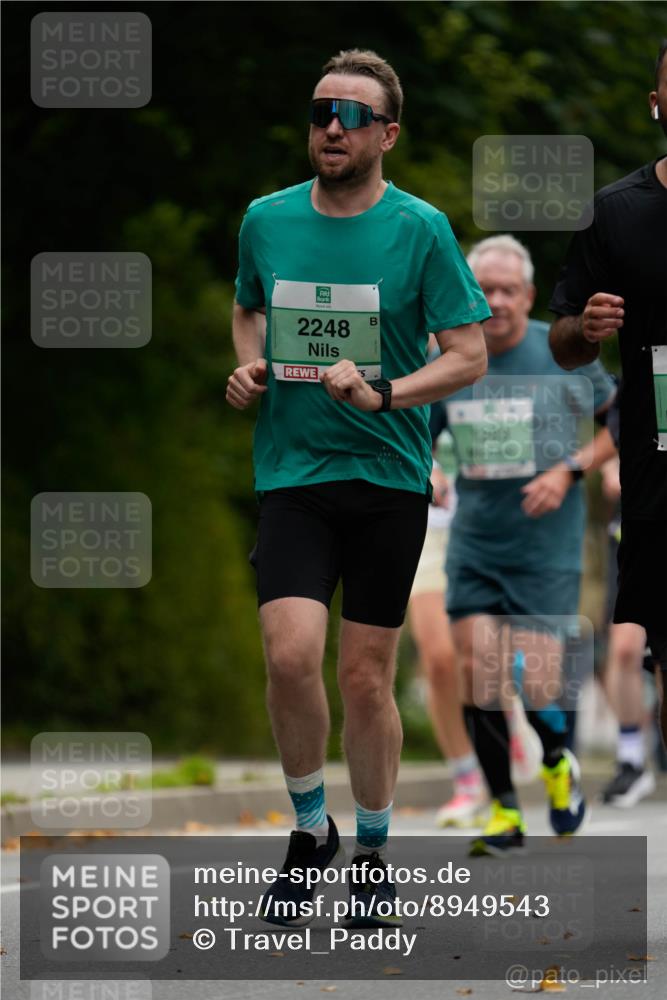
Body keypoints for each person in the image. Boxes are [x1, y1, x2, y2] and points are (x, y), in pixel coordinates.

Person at [227, 48, 489, 925]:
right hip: (294, 474)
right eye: (319, 112)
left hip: (387, 477)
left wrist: (383, 393)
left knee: (366, 679)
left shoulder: (421, 229)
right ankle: (311, 830)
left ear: (388, 134)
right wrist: (250, 366)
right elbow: (248, 306)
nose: (330, 128)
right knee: (289, 654)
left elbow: (467, 355)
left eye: (350, 116)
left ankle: (372, 851)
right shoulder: (265, 219)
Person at [430, 234, 616, 856]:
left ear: (530, 295)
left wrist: (568, 471)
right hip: (477, 543)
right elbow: (413, 429)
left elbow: (619, 422)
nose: (498, 301)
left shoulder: (562, 355)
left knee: (537, 683)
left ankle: (557, 762)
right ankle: (505, 810)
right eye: (486, 289)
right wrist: (430, 471)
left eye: (509, 290)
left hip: (545, 550)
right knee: (477, 670)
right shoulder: (451, 357)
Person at [548, 40, 667, 746]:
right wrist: (586, 329)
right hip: (660, 471)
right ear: (655, 102)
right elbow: (564, 344)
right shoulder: (615, 212)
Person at [408, 428, 488, 829]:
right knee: (439, 659)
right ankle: (467, 777)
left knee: (480, 657)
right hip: (425, 528)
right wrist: (427, 466)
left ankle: (508, 718)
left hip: (483, 529)